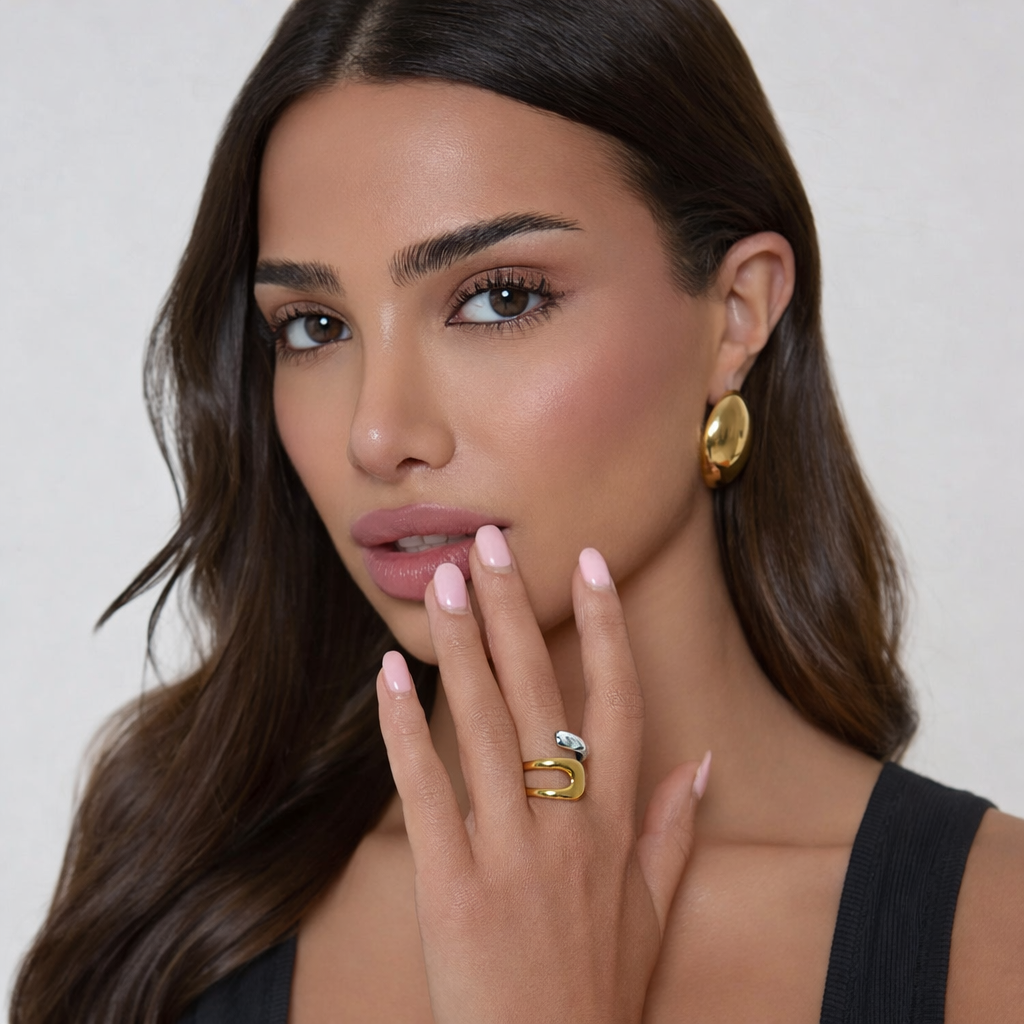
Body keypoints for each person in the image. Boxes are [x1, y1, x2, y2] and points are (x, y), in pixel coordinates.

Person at [10, 0, 1023, 1021]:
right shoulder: (177, 906)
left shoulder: (998, 934)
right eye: (314, 326)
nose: (377, 433)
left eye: (499, 297)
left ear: (736, 313)